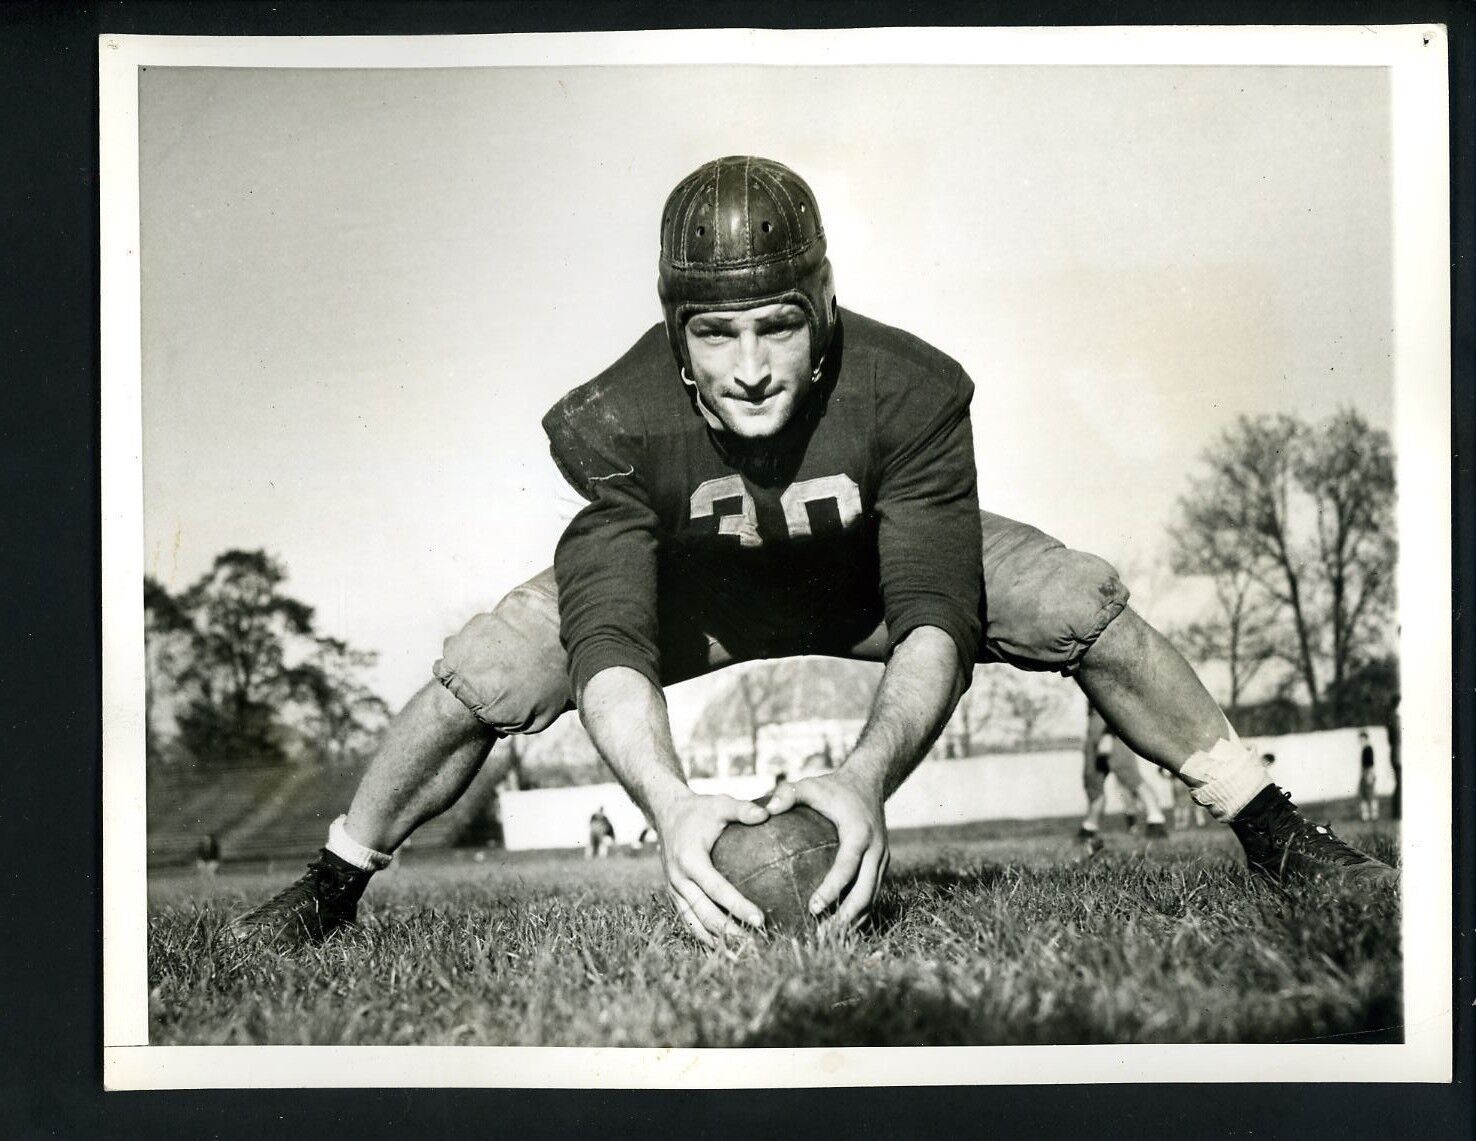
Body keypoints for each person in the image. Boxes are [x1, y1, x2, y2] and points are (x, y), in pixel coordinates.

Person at [231, 155, 1394, 950]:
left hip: (866, 580)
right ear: (677, 342)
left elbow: (937, 609)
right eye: (716, 332)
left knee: (1079, 597)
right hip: (695, 594)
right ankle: (333, 880)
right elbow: (610, 638)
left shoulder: (911, 389)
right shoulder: (618, 416)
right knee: (485, 671)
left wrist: (863, 780)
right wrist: (673, 803)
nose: (748, 366)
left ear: (822, 312)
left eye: (776, 324)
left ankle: (1270, 826)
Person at [1078, 707, 1168, 851]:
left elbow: (1116, 701)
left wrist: (1109, 733)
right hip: (1094, 727)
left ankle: (1156, 818)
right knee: (1092, 781)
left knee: (1129, 776)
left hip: (1111, 730)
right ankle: (1089, 826)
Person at [1357, 730, 1379, 822]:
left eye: (1361, 739)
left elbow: (1370, 764)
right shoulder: (1365, 749)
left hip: (1368, 772)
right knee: (1363, 794)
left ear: (1365, 738)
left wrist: (1369, 775)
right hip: (1365, 772)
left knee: (1370, 794)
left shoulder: (1368, 748)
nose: (1360, 741)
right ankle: (1366, 815)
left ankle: (1373, 815)